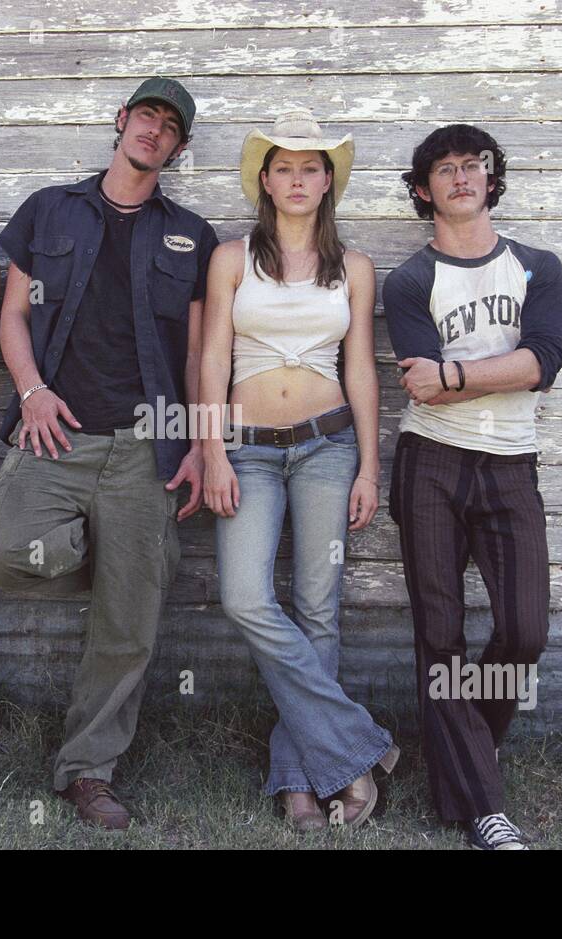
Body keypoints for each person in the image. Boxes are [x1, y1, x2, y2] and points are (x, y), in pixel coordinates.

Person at [0, 78, 218, 829]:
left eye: (170, 126)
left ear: (177, 148)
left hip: (148, 446)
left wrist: (205, 442)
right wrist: (33, 389)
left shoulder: (193, 235)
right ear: (121, 122)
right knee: (0, 548)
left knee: (129, 622)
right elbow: (12, 314)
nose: (155, 130)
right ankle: (125, 571)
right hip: (57, 430)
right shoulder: (51, 208)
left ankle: (88, 770)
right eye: (147, 114)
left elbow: (203, 354)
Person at [200, 109, 397, 832]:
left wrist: (371, 465)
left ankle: (300, 782)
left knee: (319, 610)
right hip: (246, 446)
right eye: (283, 166)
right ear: (264, 178)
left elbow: (363, 372)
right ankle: (359, 748)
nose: (296, 178)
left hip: (329, 446)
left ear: (328, 181)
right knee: (245, 596)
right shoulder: (229, 259)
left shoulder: (357, 269)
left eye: (310, 167)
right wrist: (212, 447)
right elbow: (211, 359)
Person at [383, 123, 562, 849]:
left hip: (511, 462)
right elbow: (422, 390)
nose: (461, 176)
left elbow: (542, 361)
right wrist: (486, 370)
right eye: (444, 169)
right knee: (440, 634)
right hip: (430, 461)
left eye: (474, 165)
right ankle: (484, 806)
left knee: (525, 628)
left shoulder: (536, 267)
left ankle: (463, 754)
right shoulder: (409, 279)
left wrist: (459, 373)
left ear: (492, 179)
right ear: (423, 190)